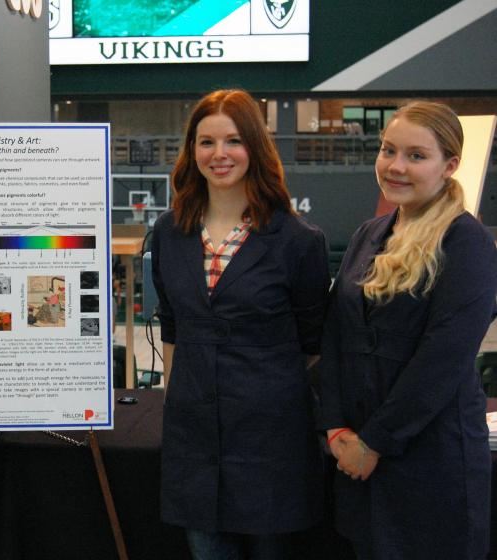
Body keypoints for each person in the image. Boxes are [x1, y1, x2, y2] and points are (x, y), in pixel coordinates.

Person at [151, 89, 330, 559]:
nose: (219, 154)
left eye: (233, 141)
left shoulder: (297, 240)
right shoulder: (170, 232)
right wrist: (179, 399)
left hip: (271, 439)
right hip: (194, 437)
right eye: (206, 142)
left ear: (254, 146)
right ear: (192, 151)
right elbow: (172, 326)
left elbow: (312, 343)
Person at [318, 101, 497, 559]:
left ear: (450, 164)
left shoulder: (467, 243)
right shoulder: (368, 234)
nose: (396, 166)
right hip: (358, 458)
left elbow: (441, 360)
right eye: (388, 150)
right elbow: (337, 336)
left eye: (416, 156)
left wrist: (375, 442)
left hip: (431, 462)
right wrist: (336, 428)